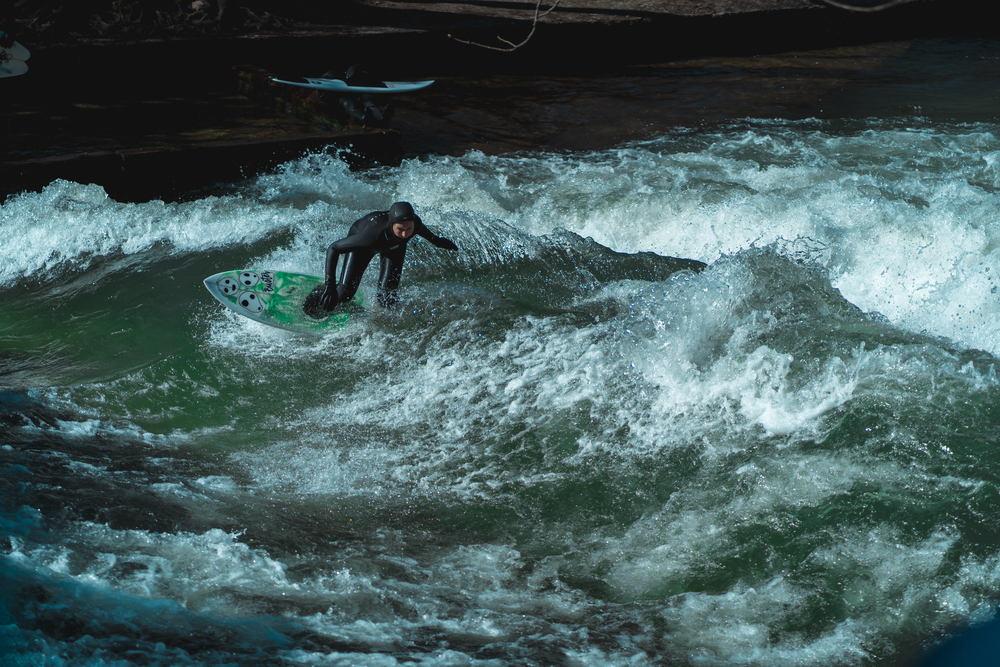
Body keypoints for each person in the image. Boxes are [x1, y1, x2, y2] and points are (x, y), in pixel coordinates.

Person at [303, 202, 458, 317]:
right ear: (391, 225)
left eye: (409, 229)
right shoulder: (370, 236)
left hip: (393, 247)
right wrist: (330, 286)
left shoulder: (413, 224)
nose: (405, 235)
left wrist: (438, 241)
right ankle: (318, 292)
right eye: (400, 230)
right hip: (363, 246)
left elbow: (423, 231)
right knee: (344, 295)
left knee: (387, 298)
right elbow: (333, 248)